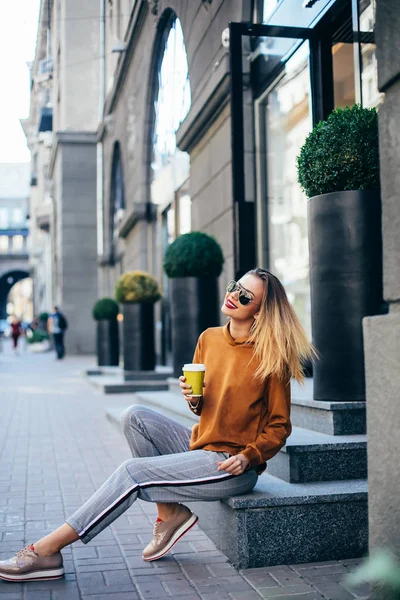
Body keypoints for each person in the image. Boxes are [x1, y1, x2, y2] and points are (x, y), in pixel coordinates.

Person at [0, 268, 316, 583]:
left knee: (132, 472)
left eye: (245, 295)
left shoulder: (269, 356)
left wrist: (250, 456)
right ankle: (170, 514)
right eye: (235, 287)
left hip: (231, 466)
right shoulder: (209, 338)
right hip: (202, 446)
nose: (233, 295)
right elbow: (203, 410)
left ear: (260, 310)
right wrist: (194, 398)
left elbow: (279, 426)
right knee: (134, 415)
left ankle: (47, 550)